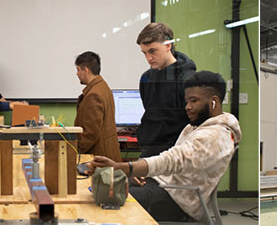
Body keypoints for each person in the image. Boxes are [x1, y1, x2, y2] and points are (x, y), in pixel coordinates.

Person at [87, 71, 240, 222]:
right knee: (101, 191)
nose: (187, 107)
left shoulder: (214, 136)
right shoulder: (200, 127)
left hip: (176, 200)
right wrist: (140, 173)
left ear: (214, 102)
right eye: (187, 101)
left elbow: (173, 160)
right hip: (165, 187)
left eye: (194, 101)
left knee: (106, 199)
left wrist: (123, 167)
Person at [136, 22, 197, 159]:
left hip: (177, 156)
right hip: (149, 153)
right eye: (144, 53)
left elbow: (193, 124)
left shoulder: (188, 79)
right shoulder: (146, 78)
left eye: (152, 51)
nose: (148, 58)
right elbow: (151, 113)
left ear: (168, 45)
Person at [73, 51, 122, 162]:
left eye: (78, 70)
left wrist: (76, 150)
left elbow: (90, 133)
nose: (77, 74)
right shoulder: (102, 86)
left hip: (99, 157)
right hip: (107, 153)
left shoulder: (93, 94)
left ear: (86, 70)